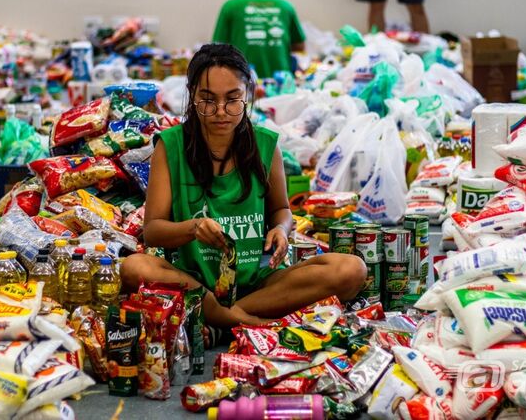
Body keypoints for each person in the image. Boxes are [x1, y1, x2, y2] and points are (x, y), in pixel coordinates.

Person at [121, 44, 366, 330]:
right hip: (197, 283)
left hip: (259, 284)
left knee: (351, 270)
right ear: (192, 95)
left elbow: (282, 210)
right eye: (208, 100)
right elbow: (152, 232)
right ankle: (237, 318)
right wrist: (193, 228)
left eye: (233, 99)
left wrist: (281, 230)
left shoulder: (266, 145)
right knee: (133, 267)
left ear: (248, 94)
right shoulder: (171, 145)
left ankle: (223, 317)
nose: (221, 112)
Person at [212, 0, 305, 79]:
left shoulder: (230, 6)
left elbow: (217, 49)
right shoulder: (286, 6)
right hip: (281, 82)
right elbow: (300, 45)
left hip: (243, 82)